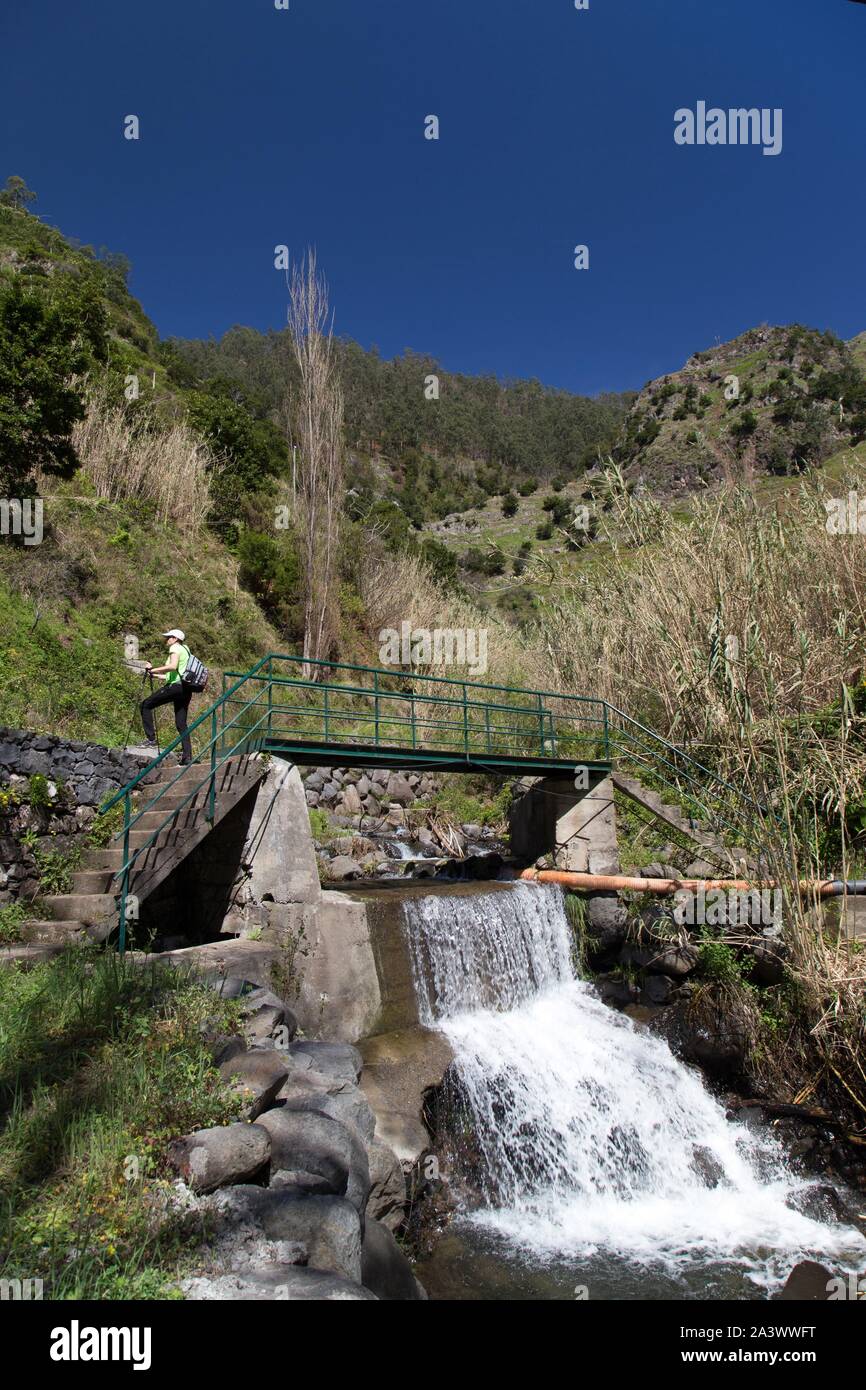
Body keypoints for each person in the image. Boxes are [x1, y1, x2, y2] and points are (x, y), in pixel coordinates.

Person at [138, 628, 194, 764]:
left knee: (145, 705)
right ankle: (187, 757)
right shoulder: (185, 650)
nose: (166, 639)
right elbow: (175, 674)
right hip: (185, 689)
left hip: (176, 687)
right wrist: (156, 675)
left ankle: (151, 740)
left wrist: (152, 669)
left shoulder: (175, 648)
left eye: (169, 637)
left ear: (175, 639)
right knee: (181, 723)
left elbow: (173, 666)